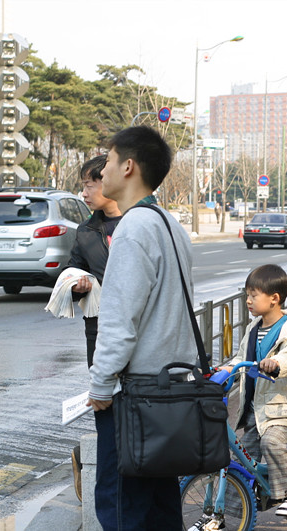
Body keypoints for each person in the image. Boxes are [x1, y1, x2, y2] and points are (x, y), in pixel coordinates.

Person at [86, 126, 193, 530]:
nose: (105, 169)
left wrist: (100, 384)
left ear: (128, 166)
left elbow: (120, 321)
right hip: (169, 392)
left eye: (109, 160)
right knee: (161, 509)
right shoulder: (170, 224)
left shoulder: (132, 229)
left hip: (133, 398)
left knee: (121, 508)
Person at [220, 264, 287, 518]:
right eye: (247, 294)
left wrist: (278, 364)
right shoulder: (253, 329)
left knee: (273, 442)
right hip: (260, 410)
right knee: (241, 455)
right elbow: (240, 358)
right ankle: (228, 512)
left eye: (254, 295)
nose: (248, 300)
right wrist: (222, 370)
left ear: (274, 299)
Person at [66, 154, 122, 501]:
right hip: (100, 332)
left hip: (139, 334)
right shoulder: (86, 231)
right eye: (83, 185)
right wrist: (77, 283)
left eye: (90, 184)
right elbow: (71, 270)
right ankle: (101, 480)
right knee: (108, 409)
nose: (85, 192)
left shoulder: (139, 222)